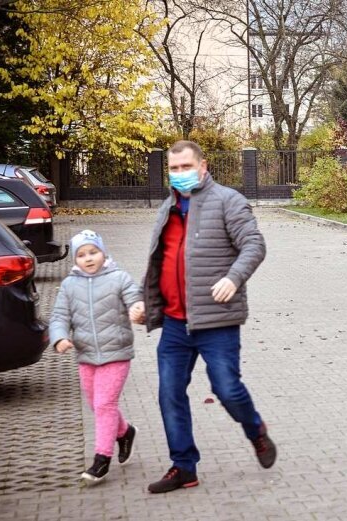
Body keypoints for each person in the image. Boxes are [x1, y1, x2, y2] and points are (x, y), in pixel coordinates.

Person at [142, 140, 275, 494]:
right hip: (174, 323)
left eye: (186, 167)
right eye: (174, 169)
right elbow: (161, 262)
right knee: (169, 393)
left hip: (216, 320)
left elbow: (254, 244)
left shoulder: (227, 200)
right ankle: (183, 466)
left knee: (227, 389)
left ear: (202, 167)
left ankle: (255, 430)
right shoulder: (166, 208)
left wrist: (233, 278)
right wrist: (147, 303)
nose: (180, 174)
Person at [49, 230, 144, 485]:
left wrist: (138, 309)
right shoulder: (69, 285)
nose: (88, 258)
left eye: (93, 252)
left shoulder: (119, 277)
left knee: (104, 404)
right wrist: (59, 337)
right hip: (86, 355)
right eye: (81, 254)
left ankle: (102, 459)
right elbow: (59, 316)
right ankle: (125, 432)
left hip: (117, 353)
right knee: (96, 404)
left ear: (103, 252)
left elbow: (134, 297)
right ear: (75, 259)